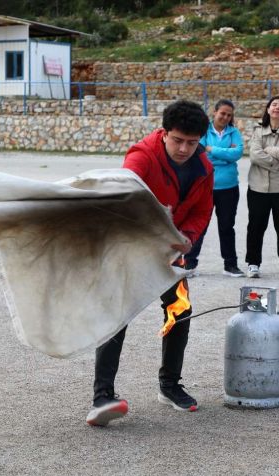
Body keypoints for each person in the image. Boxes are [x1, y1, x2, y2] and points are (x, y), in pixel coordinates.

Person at [86, 100, 213, 427]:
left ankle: (169, 386)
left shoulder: (204, 167)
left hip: (168, 254)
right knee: (117, 317)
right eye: (178, 140)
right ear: (164, 132)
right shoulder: (141, 156)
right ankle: (103, 397)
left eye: (192, 142)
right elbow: (123, 195)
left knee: (180, 312)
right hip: (127, 249)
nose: (184, 149)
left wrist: (187, 235)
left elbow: (202, 210)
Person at [183, 99, 245, 278]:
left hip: (229, 187)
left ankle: (230, 265)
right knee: (199, 226)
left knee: (227, 226)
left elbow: (237, 154)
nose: (225, 117)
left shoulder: (234, 133)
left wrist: (212, 150)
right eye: (222, 113)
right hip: (205, 186)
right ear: (215, 112)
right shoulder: (203, 130)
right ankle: (189, 262)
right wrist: (224, 154)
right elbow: (199, 151)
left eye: (229, 114)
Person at [245, 95, 279, 280]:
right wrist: (276, 162)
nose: (277, 108)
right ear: (268, 109)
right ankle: (253, 263)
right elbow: (254, 155)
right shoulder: (257, 131)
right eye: (274, 104)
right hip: (258, 188)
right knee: (255, 227)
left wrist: (269, 150)